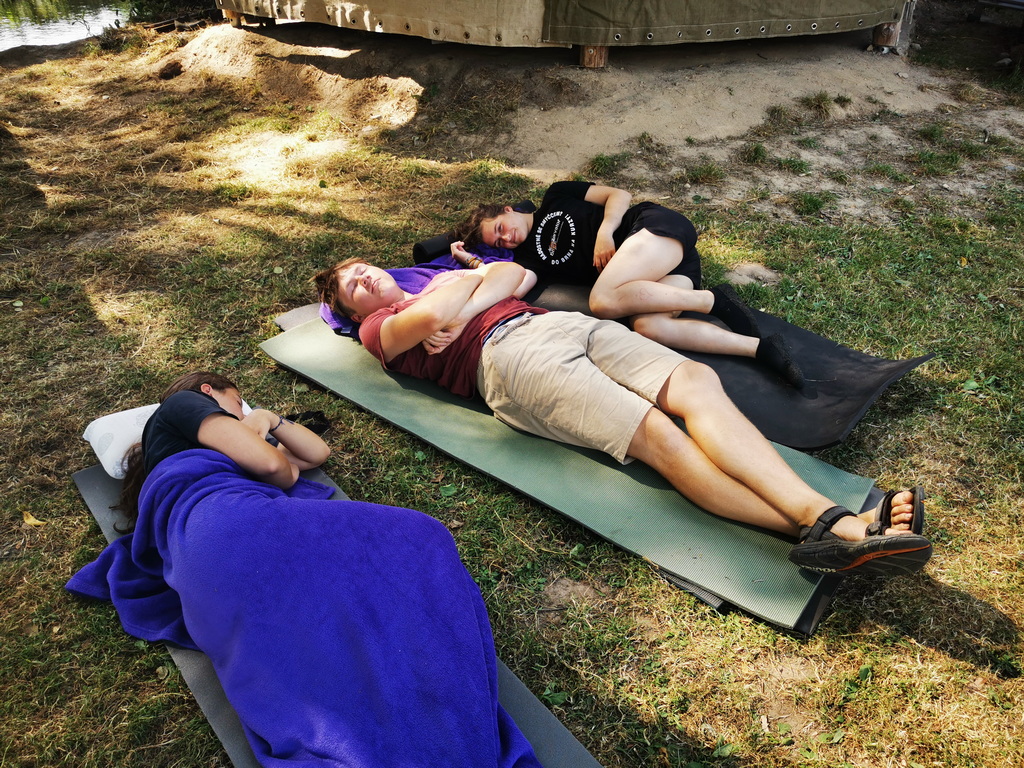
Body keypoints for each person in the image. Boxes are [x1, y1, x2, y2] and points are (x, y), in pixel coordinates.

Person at [314, 258, 932, 576]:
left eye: (363, 269)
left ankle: (831, 525)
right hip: (507, 361)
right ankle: (832, 524)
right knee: (660, 436)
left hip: (559, 324)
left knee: (695, 382)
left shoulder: (438, 282)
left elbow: (511, 273)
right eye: (354, 288)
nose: (364, 279)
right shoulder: (377, 331)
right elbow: (427, 319)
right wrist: (461, 295)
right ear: (354, 313)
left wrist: (466, 296)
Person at [71, 372, 543, 767]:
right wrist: (261, 442)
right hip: (231, 525)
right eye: (238, 401)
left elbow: (316, 455)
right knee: (419, 536)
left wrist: (267, 419)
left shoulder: (205, 451)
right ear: (209, 393)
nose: (242, 411)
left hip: (203, 559)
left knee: (318, 625)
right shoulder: (180, 407)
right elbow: (273, 465)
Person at [452, 180, 805, 388]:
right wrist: (472, 263)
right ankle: (760, 349)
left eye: (501, 228)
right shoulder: (530, 259)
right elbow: (512, 288)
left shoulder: (556, 195)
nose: (507, 238)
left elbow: (617, 195)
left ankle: (713, 301)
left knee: (602, 300)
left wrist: (606, 231)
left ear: (508, 209)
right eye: (499, 242)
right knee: (650, 328)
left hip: (652, 230)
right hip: (667, 269)